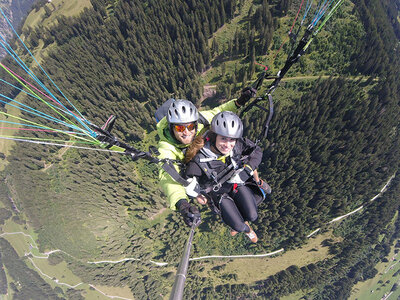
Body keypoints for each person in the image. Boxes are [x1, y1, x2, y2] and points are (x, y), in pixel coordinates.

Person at [183, 111, 270, 243]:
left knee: (252, 215)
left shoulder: (238, 145)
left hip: (236, 185)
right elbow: (188, 179)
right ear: (214, 137)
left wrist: (248, 169)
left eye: (231, 140)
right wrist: (193, 193)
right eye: (223, 138)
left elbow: (257, 152)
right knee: (239, 226)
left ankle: (244, 218)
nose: (228, 145)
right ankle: (247, 229)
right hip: (220, 196)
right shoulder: (199, 160)